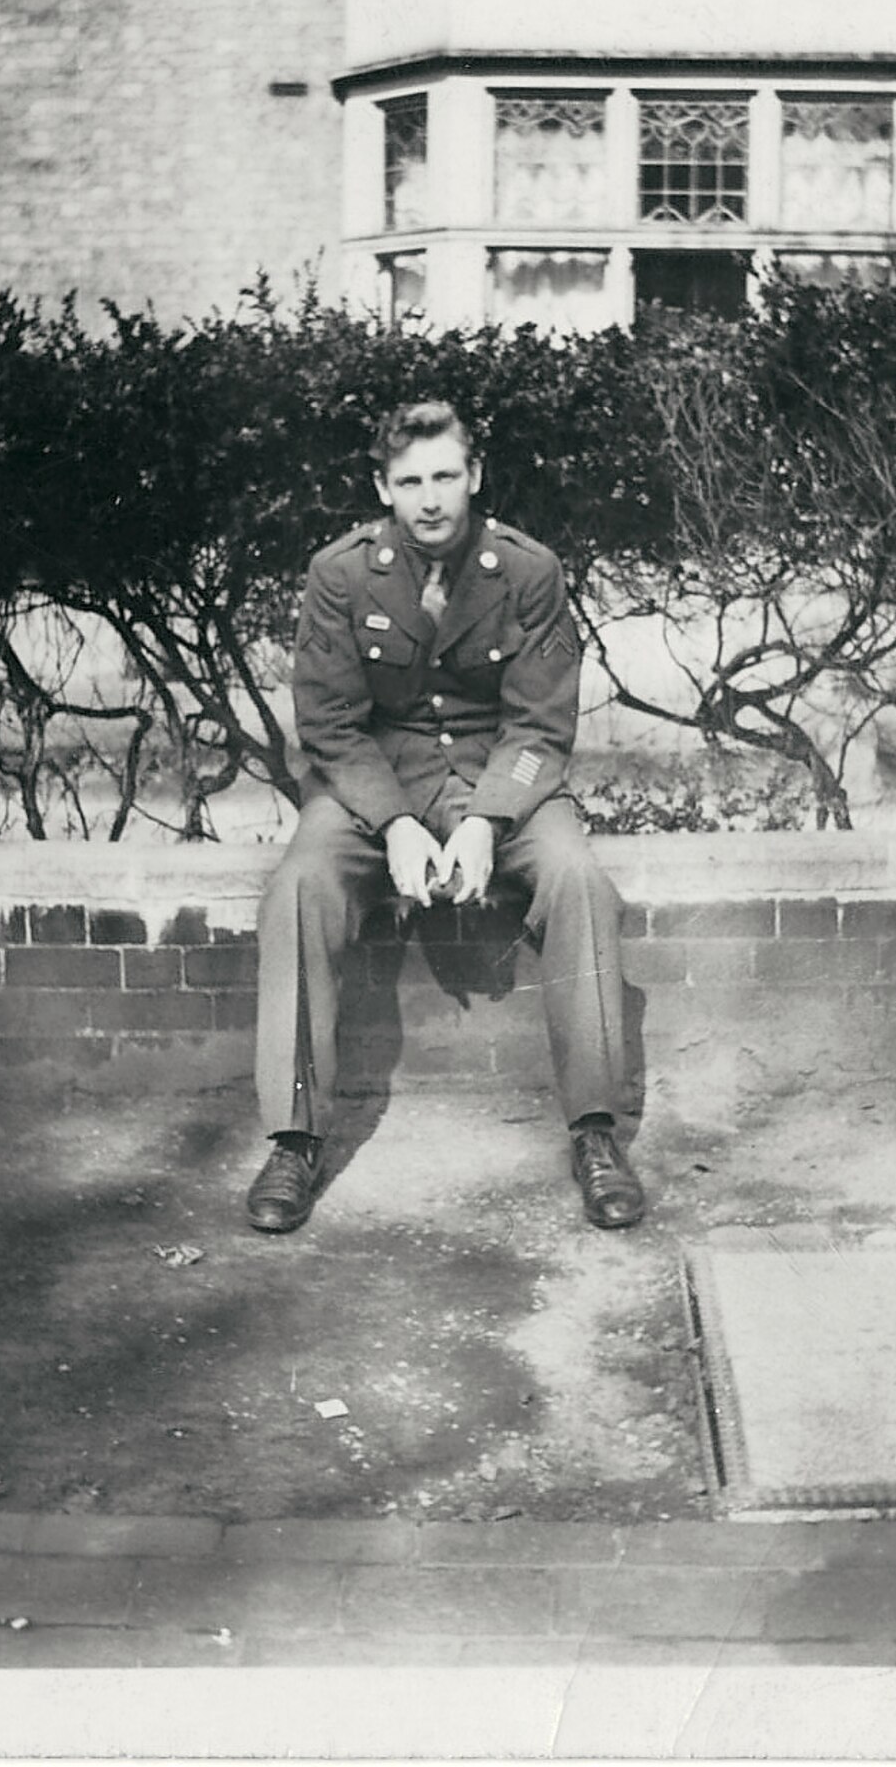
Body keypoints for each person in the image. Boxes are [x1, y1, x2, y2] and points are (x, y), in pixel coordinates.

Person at [246, 400, 644, 1234]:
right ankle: (294, 1136)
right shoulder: (341, 574)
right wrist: (392, 824)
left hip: (501, 778)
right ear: (382, 487)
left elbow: (540, 723)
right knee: (300, 886)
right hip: (372, 783)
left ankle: (597, 1131)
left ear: (475, 476)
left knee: (579, 881)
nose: (429, 499)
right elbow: (329, 727)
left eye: (444, 477)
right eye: (409, 481)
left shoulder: (527, 570)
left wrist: (486, 822)